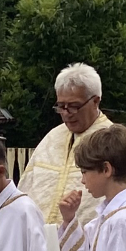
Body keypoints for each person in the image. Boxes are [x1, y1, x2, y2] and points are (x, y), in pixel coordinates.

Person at [20, 63, 114, 232]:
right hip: (40, 246)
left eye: (74, 106)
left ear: (95, 101)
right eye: (61, 106)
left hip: (89, 245)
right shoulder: (51, 138)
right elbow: (27, 191)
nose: (66, 113)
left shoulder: (113, 141)